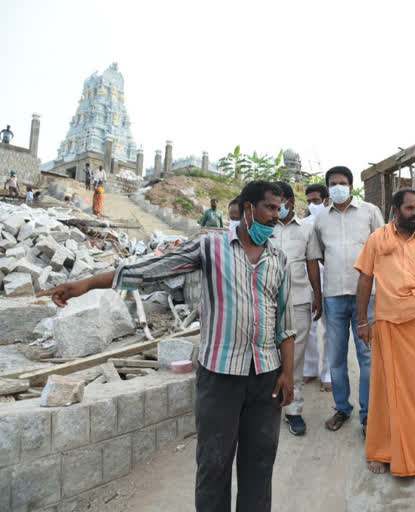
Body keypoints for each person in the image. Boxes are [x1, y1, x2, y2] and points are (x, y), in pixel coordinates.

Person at [40, 180, 295, 512]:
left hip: (265, 377)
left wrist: (288, 373)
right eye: (270, 208)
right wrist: (86, 284)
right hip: (220, 377)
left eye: (280, 209)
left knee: (259, 465)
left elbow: (285, 323)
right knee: (214, 464)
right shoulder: (211, 247)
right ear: (249, 209)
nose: (277, 216)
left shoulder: (278, 259)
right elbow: (150, 270)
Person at [355, 188, 415, 476]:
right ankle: (380, 452)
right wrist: (362, 321)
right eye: (410, 208)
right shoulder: (378, 239)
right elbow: (364, 278)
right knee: (384, 389)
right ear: (395, 209)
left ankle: (412, 457)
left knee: (414, 392)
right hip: (386, 322)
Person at [313, 166, 385, 434]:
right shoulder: (321, 219)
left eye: (342, 182)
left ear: (352, 186)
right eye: (333, 183)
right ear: (328, 187)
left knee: (367, 357)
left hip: (367, 297)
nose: (338, 187)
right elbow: (320, 255)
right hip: (334, 296)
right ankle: (342, 408)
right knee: (336, 358)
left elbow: (384, 248)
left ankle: (368, 414)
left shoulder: (370, 212)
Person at [272, 181, 323, 435]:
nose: (276, 207)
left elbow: (312, 262)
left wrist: (318, 295)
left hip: (299, 299)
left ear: (290, 202)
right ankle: (269, 406)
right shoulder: (263, 228)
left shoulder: (306, 230)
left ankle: (293, 410)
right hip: (267, 302)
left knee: (296, 357)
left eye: (279, 202)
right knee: (268, 355)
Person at [302, 183, 332, 392]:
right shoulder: (303, 224)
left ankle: (329, 373)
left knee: (330, 329)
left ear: (326, 200)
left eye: (316, 201)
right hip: (308, 280)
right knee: (308, 327)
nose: (313, 205)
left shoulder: (333, 221)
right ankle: (309, 368)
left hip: (330, 281)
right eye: (310, 201)